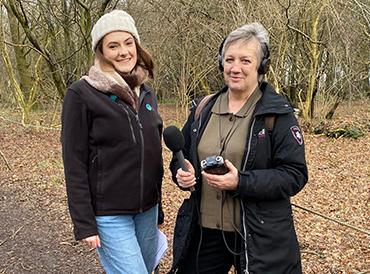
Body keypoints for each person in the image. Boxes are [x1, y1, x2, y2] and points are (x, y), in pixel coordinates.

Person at [169, 22, 308, 274]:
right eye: (229, 59)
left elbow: (294, 175)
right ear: (221, 62)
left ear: (261, 65)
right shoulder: (202, 110)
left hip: (260, 234)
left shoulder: (277, 114)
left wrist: (241, 182)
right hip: (204, 232)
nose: (235, 68)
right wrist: (182, 174)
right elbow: (181, 158)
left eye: (245, 60)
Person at [61, 10, 164, 274]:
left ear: (137, 45)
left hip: (147, 210)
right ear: (101, 51)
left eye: (128, 43)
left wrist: (159, 207)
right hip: (109, 214)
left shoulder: (146, 92)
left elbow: (152, 154)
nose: (123, 51)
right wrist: (84, 222)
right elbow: (74, 162)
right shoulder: (81, 93)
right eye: (113, 45)